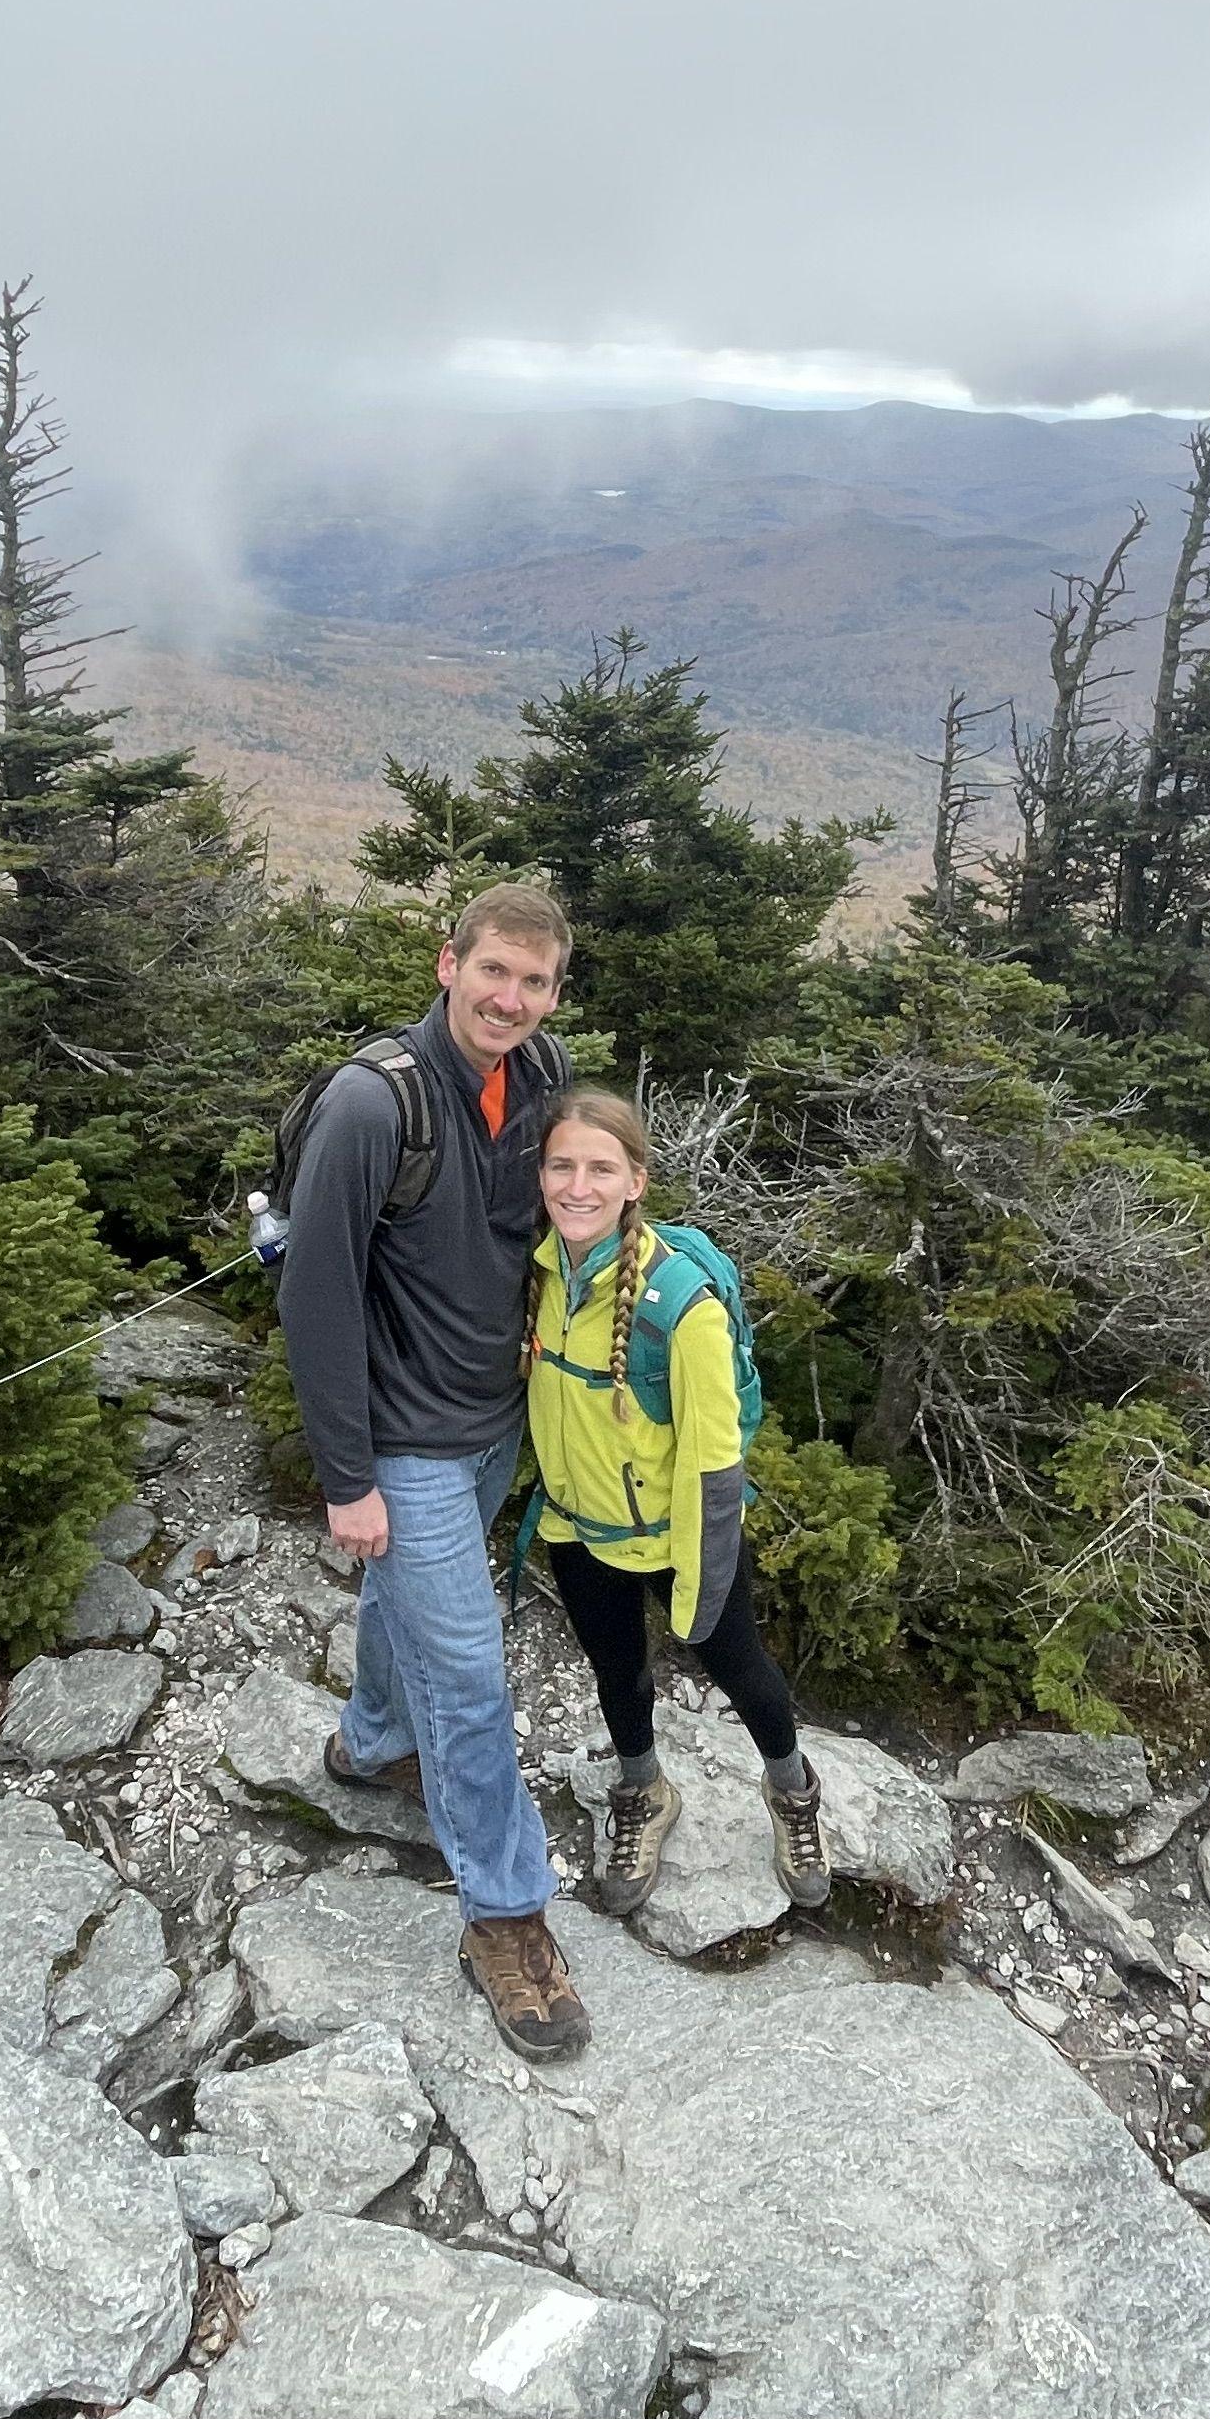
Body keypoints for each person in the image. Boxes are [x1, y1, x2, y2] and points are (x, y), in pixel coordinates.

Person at [274, 879, 592, 2058]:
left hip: (492, 1420)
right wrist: (347, 1477)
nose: (511, 998)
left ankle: (369, 1743)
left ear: (554, 992)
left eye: (535, 980)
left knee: (404, 1604)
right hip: (403, 1439)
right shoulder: (375, 1105)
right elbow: (316, 1297)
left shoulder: (542, 1077)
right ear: (447, 964)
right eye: (493, 970)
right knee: (468, 1672)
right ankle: (505, 1917)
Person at [522, 1084, 832, 1924]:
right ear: (539, 1174)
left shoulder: (681, 1305)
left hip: (680, 1536)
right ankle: (643, 1789)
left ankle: (793, 1789)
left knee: (744, 1672)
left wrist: (700, 1580)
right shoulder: (541, 1271)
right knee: (617, 1673)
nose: (577, 1187)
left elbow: (714, 1465)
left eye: (600, 1169)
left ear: (636, 1181)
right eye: (560, 1166)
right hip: (578, 1529)